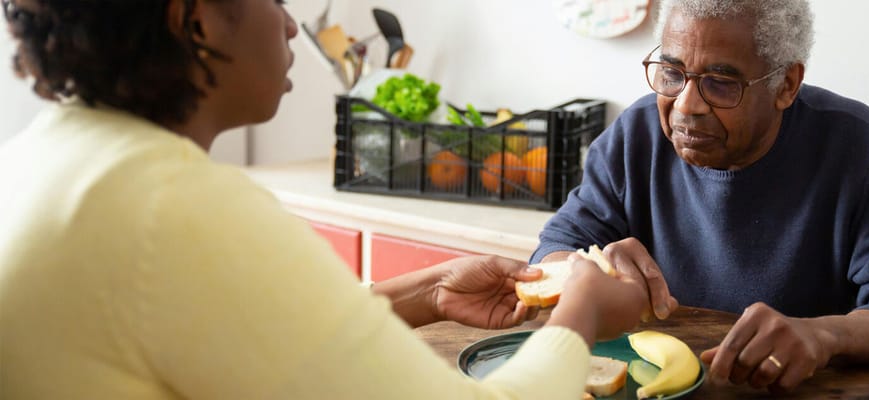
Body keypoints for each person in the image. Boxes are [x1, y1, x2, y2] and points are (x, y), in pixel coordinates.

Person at [0, 1, 650, 399]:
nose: (288, 23)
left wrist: (424, 294)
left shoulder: (42, 158)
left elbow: (250, 334)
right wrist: (582, 312)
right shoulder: (174, 208)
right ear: (193, 19)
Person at [533, 0, 869, 394]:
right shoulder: (637, 136)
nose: (686, 105)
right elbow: (549, 255)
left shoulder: (855, 146)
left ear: (787, 85)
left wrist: (825, 335)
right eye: (671, 74)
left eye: (721, 83)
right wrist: (586, 270)